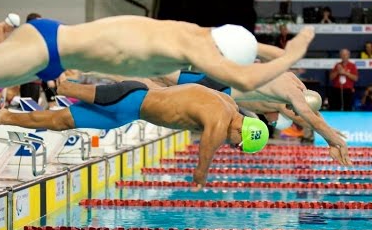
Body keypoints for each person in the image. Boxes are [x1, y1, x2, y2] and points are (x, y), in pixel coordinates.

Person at [0, 15, 314, 112]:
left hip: (50, 55)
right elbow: (246, 74)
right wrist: (295, 51)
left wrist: (284, 53)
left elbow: (251, 54)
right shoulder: (200, 50)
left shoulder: (198, 33)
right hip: (48, 46)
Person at [0, 80, 270, 190]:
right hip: (129, 99)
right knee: (62, 88)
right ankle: (48, 75)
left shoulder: (230, 106)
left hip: (126, 111)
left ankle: (5, 117)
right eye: (239, 147)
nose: (234, 148)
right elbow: (206, 151)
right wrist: (199, 181)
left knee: (59, 121)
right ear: (241, 134)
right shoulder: (221, 119)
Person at [85, 69, 352, 166]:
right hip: (214, 86)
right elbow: (309, 118)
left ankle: (106, 71)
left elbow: (305, 116)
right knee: (153, 89)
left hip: (217, 82)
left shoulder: (287, 83)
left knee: (157, 83)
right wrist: (334, 139)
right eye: (272, 121)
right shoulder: (287, 98)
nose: (270, 120)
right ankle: (104, 72)